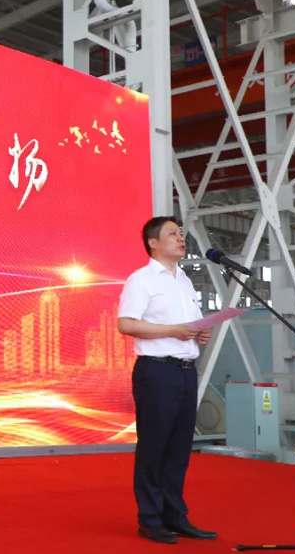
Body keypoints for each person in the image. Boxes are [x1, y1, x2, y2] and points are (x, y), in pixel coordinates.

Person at [117, 216, 218, 544]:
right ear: (153, 243)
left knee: (178, 448)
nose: (180, 238)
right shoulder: (141, 280)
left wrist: (198, 334)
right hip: (157, 371)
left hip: (186, 371)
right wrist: (173, 331)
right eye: (172, 233)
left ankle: (175, 515)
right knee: (154, 446)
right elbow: (126, 324)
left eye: (181, 233)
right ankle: (150, 518)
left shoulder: (184, 281)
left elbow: (189, 325)